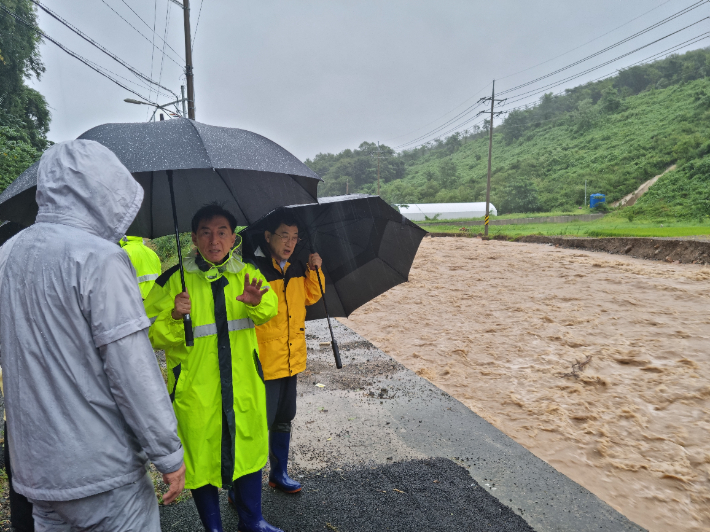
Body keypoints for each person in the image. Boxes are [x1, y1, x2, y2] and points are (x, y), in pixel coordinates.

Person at [0, 140, 185, 531]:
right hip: (104, 473)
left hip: (37, 473)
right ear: (103, 189)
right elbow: (131, 368)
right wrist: (168, 454)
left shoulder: (7, 255)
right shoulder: (99, 258)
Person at [144, 203, 282, 532]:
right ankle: (213, 526)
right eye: (205, 232)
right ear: (193, 238)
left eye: (221, 232)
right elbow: (148, 332)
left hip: (243, 383)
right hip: (196, 388)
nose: (214, 240)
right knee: (199, 456)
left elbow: (270, 309)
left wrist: (256, 302)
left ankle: (253, 521)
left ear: (233, 238)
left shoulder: (246, 273)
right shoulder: (173, 281)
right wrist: (174, 316)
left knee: (247, 449)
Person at [251, 212, 324, 494]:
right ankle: (243, 487)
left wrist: (315, 270)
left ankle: (278, 474)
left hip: (292, 358)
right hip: (265, 361)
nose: (290, 242)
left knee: (284, 416)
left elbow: (311, 296)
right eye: (284, 235)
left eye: (295, 237)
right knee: (260, 423)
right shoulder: (254, 268)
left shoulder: (296, 266)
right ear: (268, 236)